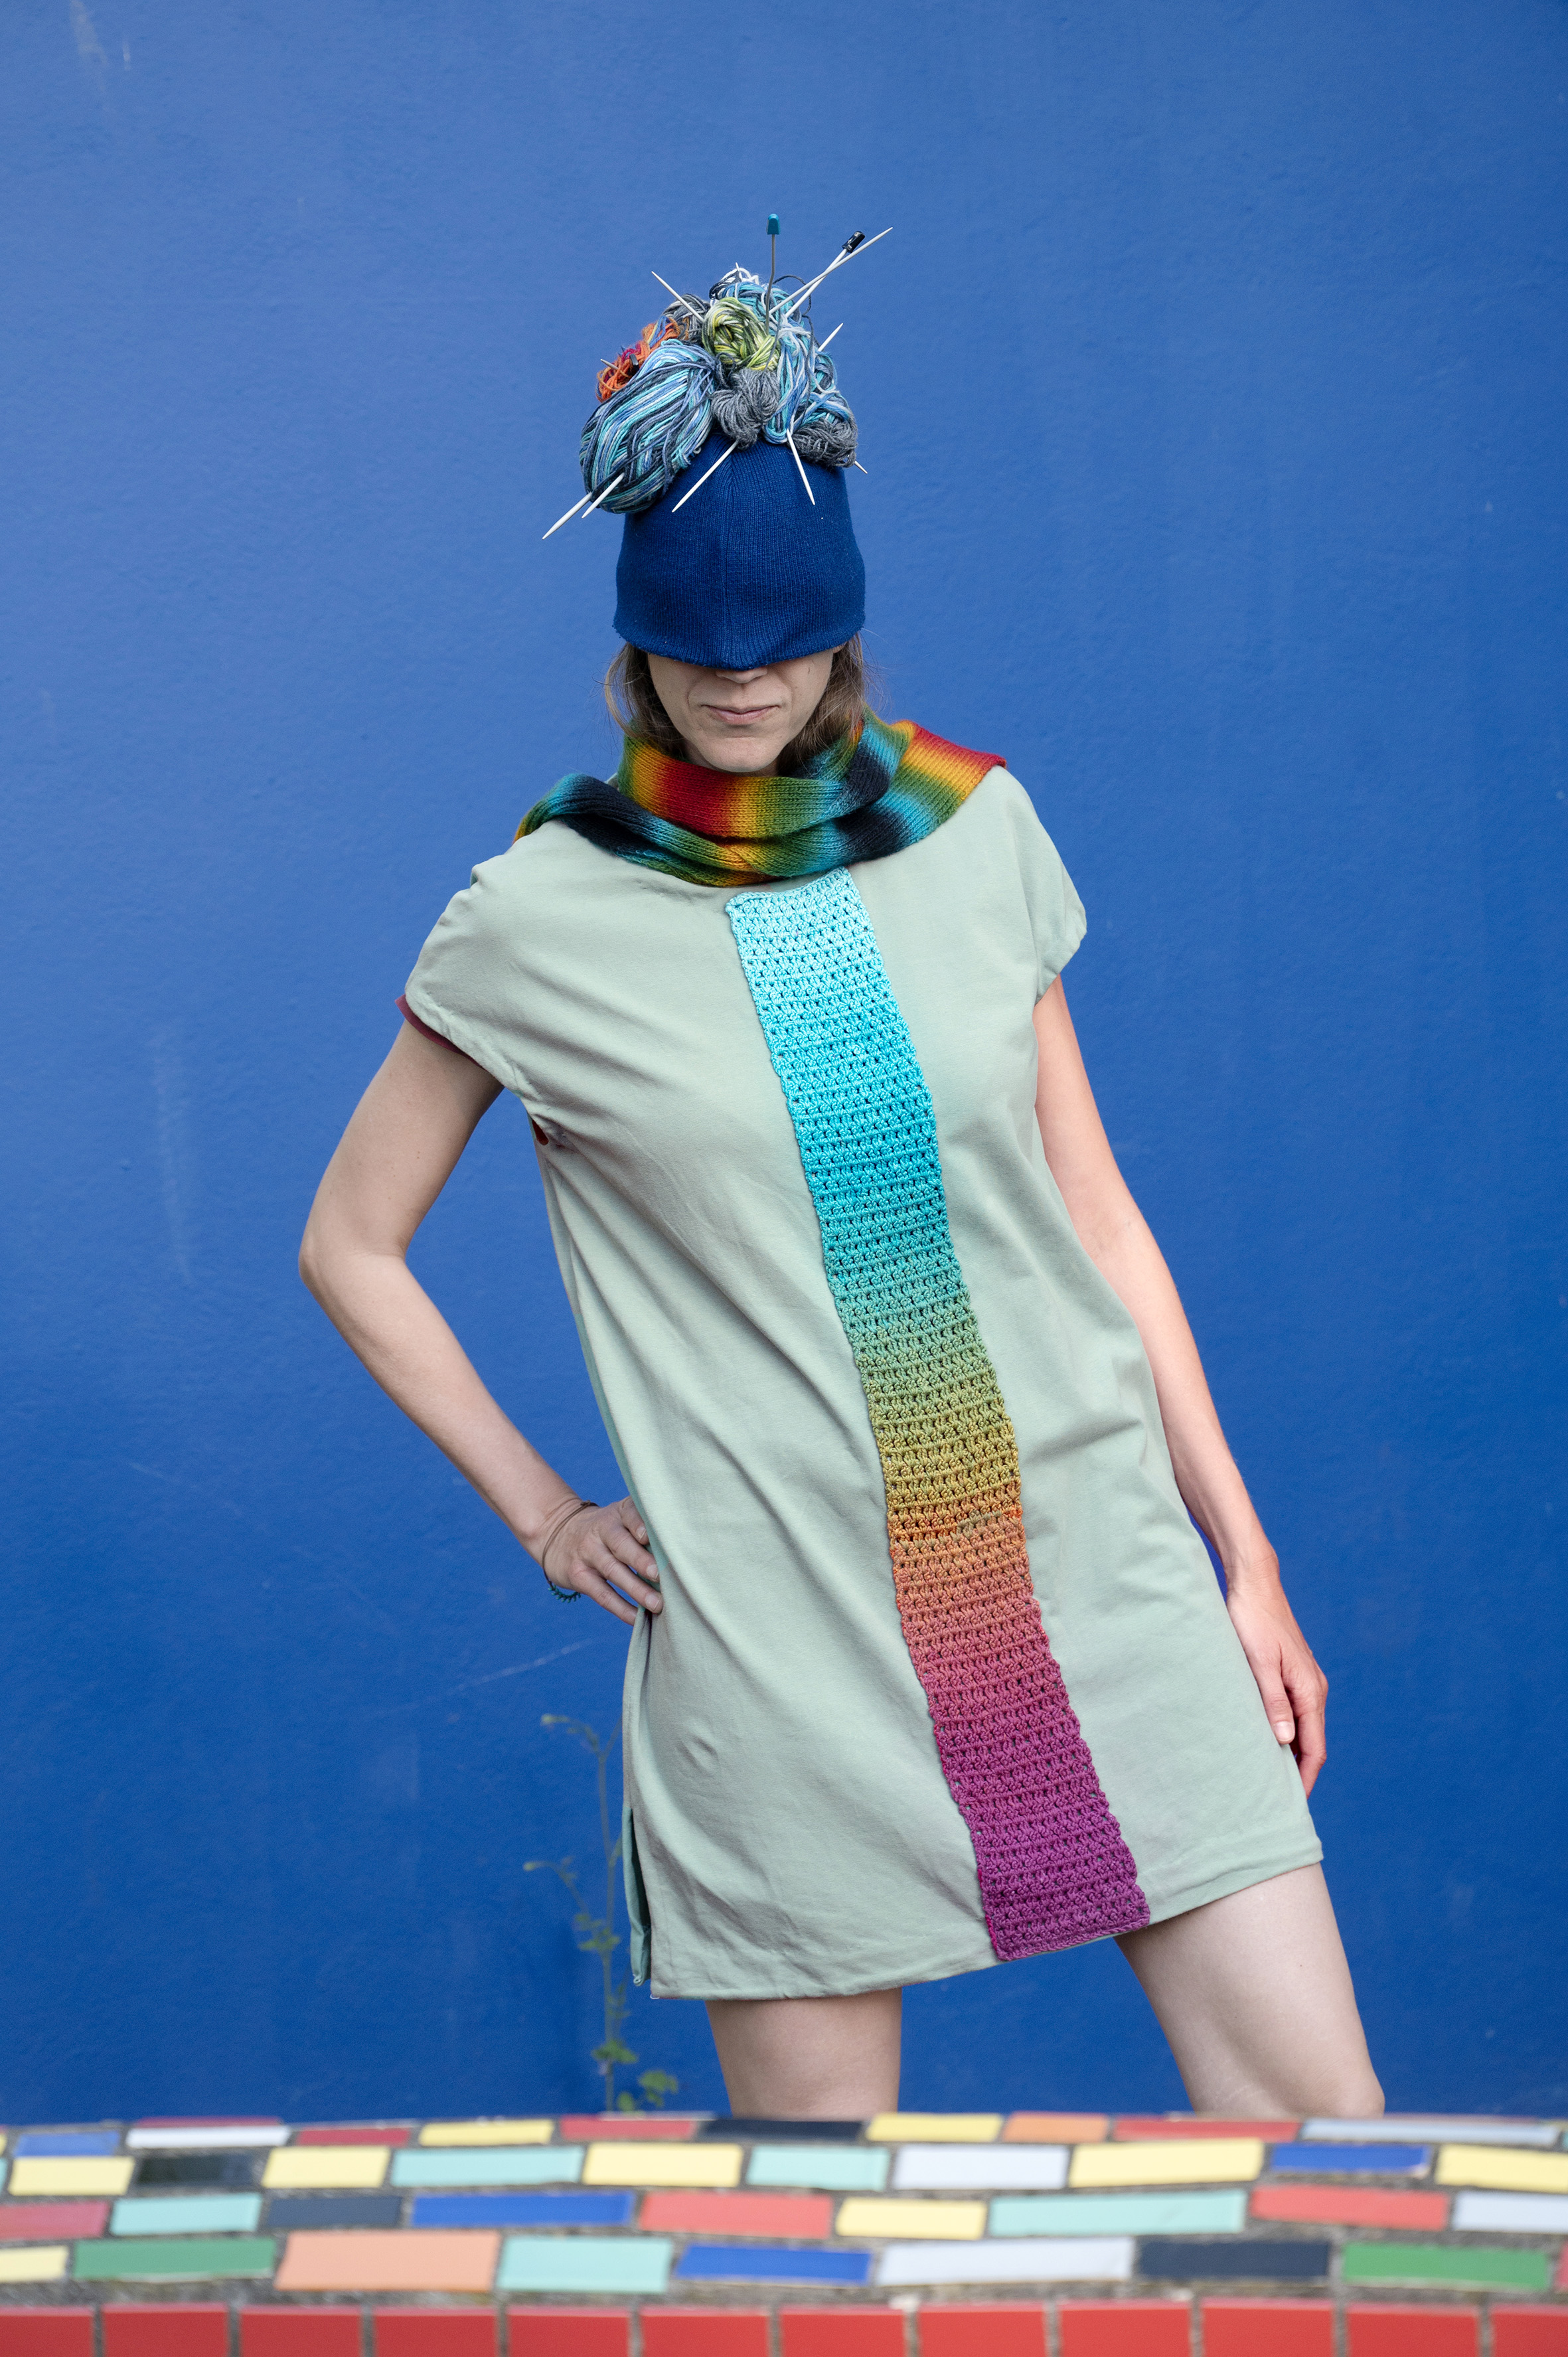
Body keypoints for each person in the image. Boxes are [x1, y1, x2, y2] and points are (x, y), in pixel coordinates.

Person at [301, 258, 1382, 2122]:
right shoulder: (537, 917)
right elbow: (351, 1243)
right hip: (781, 1648)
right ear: (635, 640)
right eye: (699, 644)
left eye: (783, 640)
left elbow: (1098, 1219)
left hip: (1092, 1576)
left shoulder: (972, 828)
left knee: (1331, 2168)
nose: (742, 679)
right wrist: (546, 1516)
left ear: (844, 631)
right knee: (818, 2242)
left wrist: (1246, 1555)